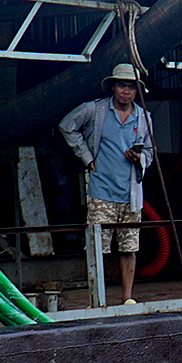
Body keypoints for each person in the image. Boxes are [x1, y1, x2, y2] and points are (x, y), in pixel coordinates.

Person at [59, 64, 152, 304]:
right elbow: (66, 126)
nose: (126, 91)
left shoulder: (143, 117)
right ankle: (97, 299)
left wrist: (139, 158)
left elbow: (150, 152)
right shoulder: (96, 110)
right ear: (113, 86)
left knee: (129, 247)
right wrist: (87, 157)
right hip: (101, 191)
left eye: (131, 87)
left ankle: (127, 297)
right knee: (97, 249)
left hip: (130, 193)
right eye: (122, 85)